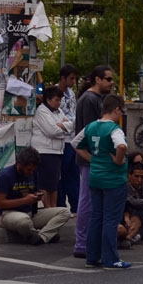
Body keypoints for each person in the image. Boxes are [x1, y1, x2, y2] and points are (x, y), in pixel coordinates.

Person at [72, 92, 131, 269]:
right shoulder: (114, 129)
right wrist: (119, 160)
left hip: (95, 177)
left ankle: (92, 256)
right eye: (121, 112)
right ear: (116, 110)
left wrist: (91, 158)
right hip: (113, 178)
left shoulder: (91, 127)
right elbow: (121, 146)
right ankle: (110, 258)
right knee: (111, 219)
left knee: (96, 217)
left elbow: (75, 143)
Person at [71, 65, 115, 260]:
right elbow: (91, 132)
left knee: (91, 200)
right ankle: (82, 242)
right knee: (87, 200)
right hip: (91, 158)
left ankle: (88, 241)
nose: (111, 83)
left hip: (93, 158)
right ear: (97, 80)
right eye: (108, 79)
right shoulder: (90, 100)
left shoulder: (95, 99)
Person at [0, 147, 72, 245]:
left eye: (33, 170)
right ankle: (41, 234)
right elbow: (0, 203)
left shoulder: (33, 173)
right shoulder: (6, 176)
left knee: (64, 212)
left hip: (30, 213)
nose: (31, 172)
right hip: (9, 214)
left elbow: (34, 190)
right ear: (20, 164)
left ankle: (42, 237)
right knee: (24, 222)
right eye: (29, 169)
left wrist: (37, 196)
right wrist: (24, 200)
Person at [30, 85, 72, 209]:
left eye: (60, 100)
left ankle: (53, 208)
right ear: (48, 100)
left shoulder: (59, 111)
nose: (59, 103)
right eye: (56, 100)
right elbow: (52, 131)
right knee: (45, 182)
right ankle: (48, 208)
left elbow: (71, 124)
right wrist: (63, 128)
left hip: (57, 151)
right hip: (44, 151)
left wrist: (62, 127)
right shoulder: (42, 111)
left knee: (54, 183)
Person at [56, 64, 80, 213]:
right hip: (61, 141)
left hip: (73, 139)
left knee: (73, 174)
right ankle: (61, 206)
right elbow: (59, 120)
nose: (73, 81)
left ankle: (76, 205)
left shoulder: (71, 94)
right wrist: (69, 123)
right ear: (63, 78)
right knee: (62, 175)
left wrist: (69, 124)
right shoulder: (55, 94)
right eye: (71, 78)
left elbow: (72, 117)